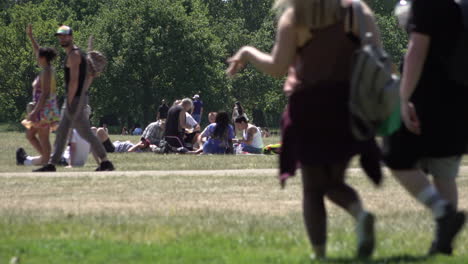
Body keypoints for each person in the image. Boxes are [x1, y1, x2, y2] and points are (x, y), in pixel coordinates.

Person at [227, 0, 381, 258]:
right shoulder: (356, 11)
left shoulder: (295, 17)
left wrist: (247, 52)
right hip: (346, 105)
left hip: (308, 107)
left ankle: (320, 254)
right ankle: (360, 214)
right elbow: (376, 54)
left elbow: (278, 67)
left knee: (312, 188)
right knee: (333, 181)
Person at [383, 0, 466, 255]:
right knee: (444, 170)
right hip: (460, 97)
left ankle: (443, 214)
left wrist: (404, 97)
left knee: (393, 155)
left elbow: (417, 49)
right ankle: (444, 243)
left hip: (427, 97)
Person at [34, 25, 114, 172]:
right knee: (63, 133)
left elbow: (74, 81)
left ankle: (105, 162)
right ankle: (52, 164)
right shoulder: (74, 54)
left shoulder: (74, 55)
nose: (62, 39)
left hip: (75, 99)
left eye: (65, 36)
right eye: (60, 36)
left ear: (71, 37)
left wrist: (70, 101)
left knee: (85, 133)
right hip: (75, 98)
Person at [20, 24, 60, 166]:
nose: (36, 57)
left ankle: (48, 163)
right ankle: (47, 160)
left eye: (38, 56)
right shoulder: (45, 68)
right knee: (30, 135)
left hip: (45, 109)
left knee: (43, 138)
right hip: (42, 108)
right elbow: (38, 50)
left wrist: (35, 111)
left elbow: (45, 94)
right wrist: (31, 37)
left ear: (43, 58)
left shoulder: (48, 71)